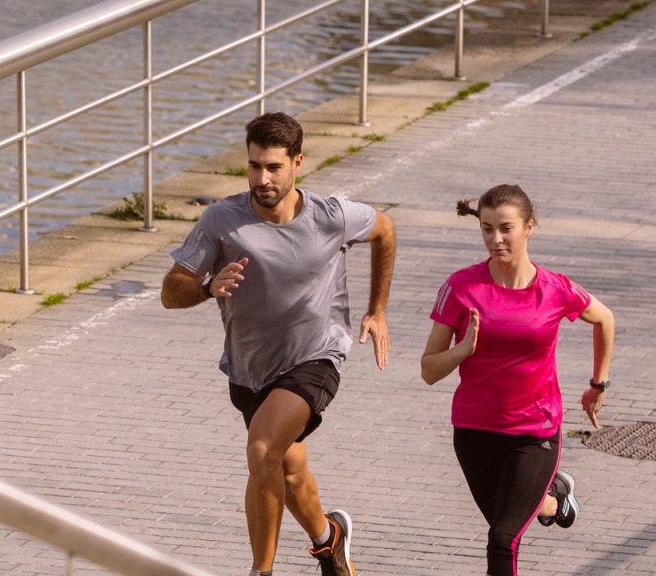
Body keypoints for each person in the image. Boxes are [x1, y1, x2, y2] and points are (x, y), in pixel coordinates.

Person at [161, 112, 396, 576]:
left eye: (273, 167)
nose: (262, 178)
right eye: (253, 166)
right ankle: (330, 539)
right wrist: (207, 288)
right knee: (286, 473)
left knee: (263, 450)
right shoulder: (222, 221)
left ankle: (260, 571)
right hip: (250, 370)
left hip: (316, 356)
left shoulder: (331, 216)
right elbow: (171, 291)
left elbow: (385, 231)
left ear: (297, 164)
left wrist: (378, 309)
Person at [420, 184, 614, 576]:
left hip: (534, 430)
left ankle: (547, 494)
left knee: (503, 538)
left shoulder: (554, 288)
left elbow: (605, 318)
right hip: (474, 430)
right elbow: (428, 370)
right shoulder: (460, 288)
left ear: (528, 227)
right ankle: (555, 500)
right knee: (508, 519)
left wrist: (598, 385)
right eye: (487, 228)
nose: (496, 239)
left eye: (505, 228)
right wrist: (463, 351)